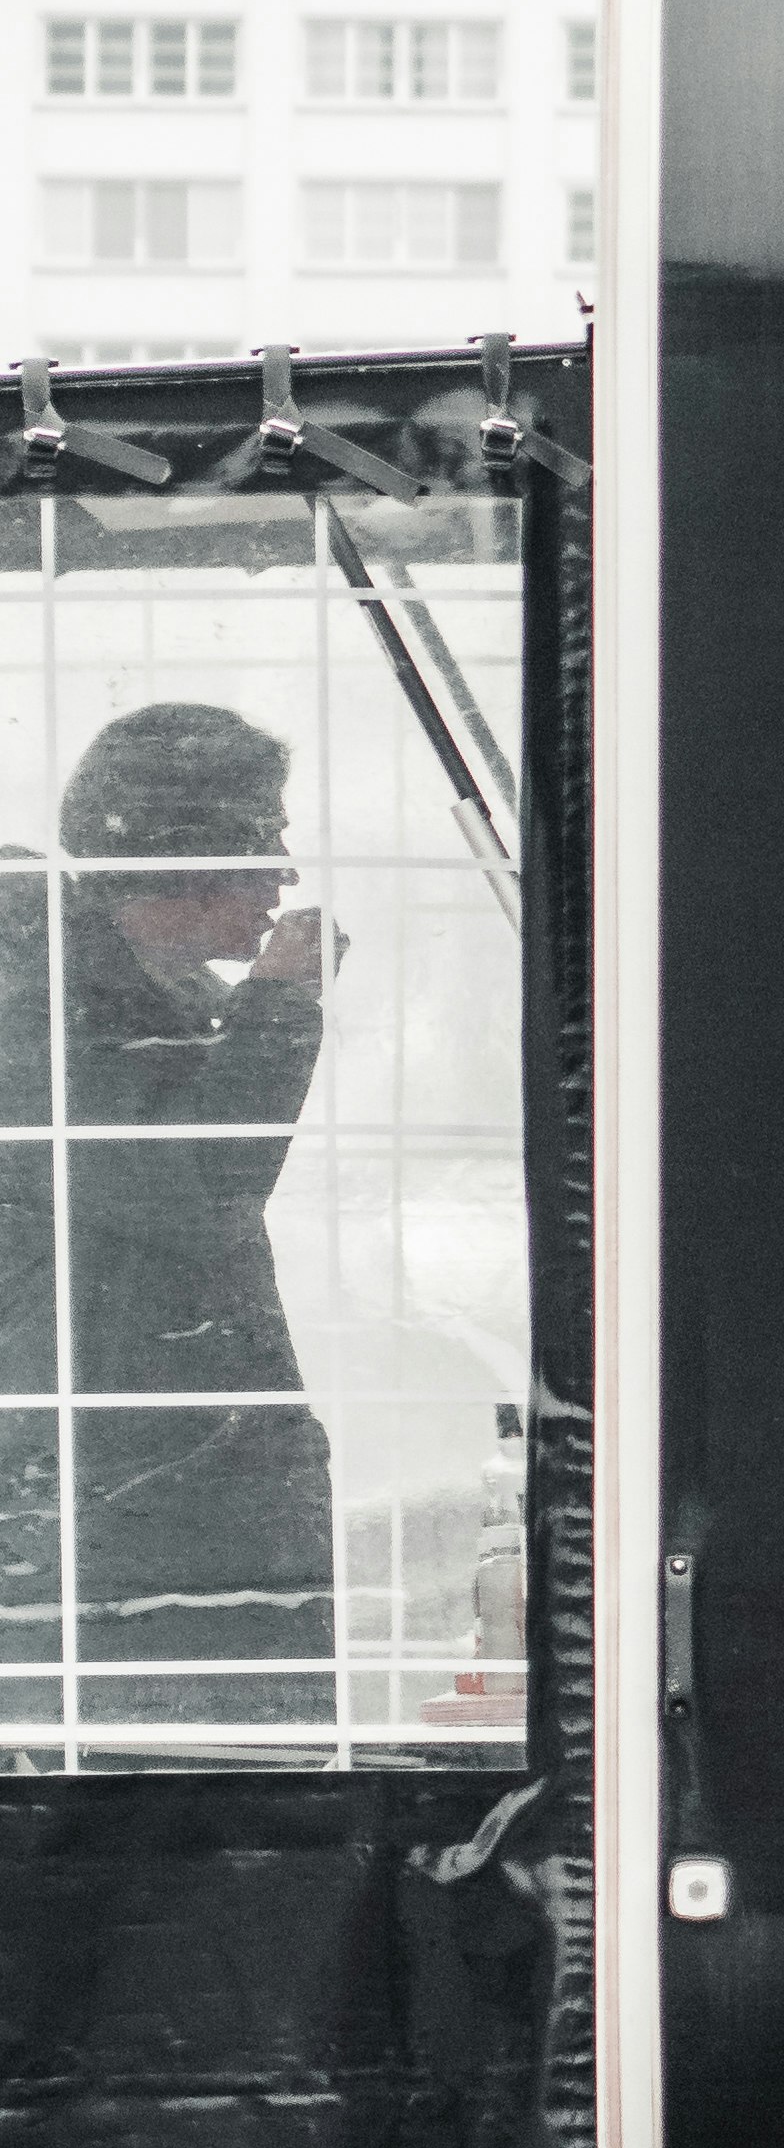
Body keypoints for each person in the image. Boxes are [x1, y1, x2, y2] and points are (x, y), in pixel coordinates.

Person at [0, 703, 338, 1683]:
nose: (285, 871)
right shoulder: (33, 996)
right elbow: (195, 1189)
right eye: (265, 835)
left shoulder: (153, 998)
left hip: (164, 1504)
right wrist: (277, 1006)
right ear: (188, 846)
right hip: (106, 1520)